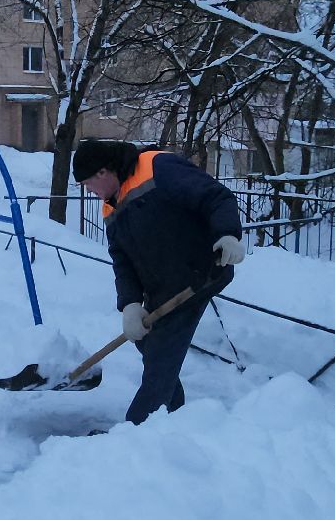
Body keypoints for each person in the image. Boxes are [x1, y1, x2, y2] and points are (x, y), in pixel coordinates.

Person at [73, 138, 245, 425]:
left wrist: (227, 234)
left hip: (198, 274)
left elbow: (215, 196)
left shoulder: (157, 167)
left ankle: (135, 433)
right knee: (150, 346)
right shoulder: (109, 207)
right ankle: (172, 416)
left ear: (103, 172)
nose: (89, 191)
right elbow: (122, 261)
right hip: (162, 287)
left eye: (88, 183)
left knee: (161, 359)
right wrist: (129, 304)